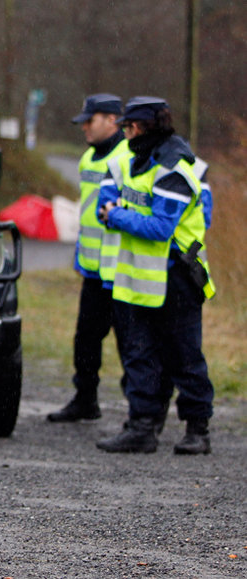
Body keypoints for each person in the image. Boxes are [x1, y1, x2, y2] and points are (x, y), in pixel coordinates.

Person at [94, 97, 215, 455]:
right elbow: (105, 205)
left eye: (129, 128)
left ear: (144, 128)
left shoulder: (175, 168)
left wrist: (117, 216)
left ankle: (198, 430)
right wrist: (113, 212)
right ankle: (142, 427)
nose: (125, 134)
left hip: (178, 277)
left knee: (184, 357)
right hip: (138, 279)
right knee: (139, 356)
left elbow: (161, 228)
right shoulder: (133, 161)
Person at [48, 94, 131, 423]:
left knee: (130, 342)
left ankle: (141, 411)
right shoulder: (87, 159)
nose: (84, 126)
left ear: (112, 120)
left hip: (123, 269)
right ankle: (85, 399)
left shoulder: (127, 157)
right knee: (86, 339)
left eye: (90, 120)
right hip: (94, 269)